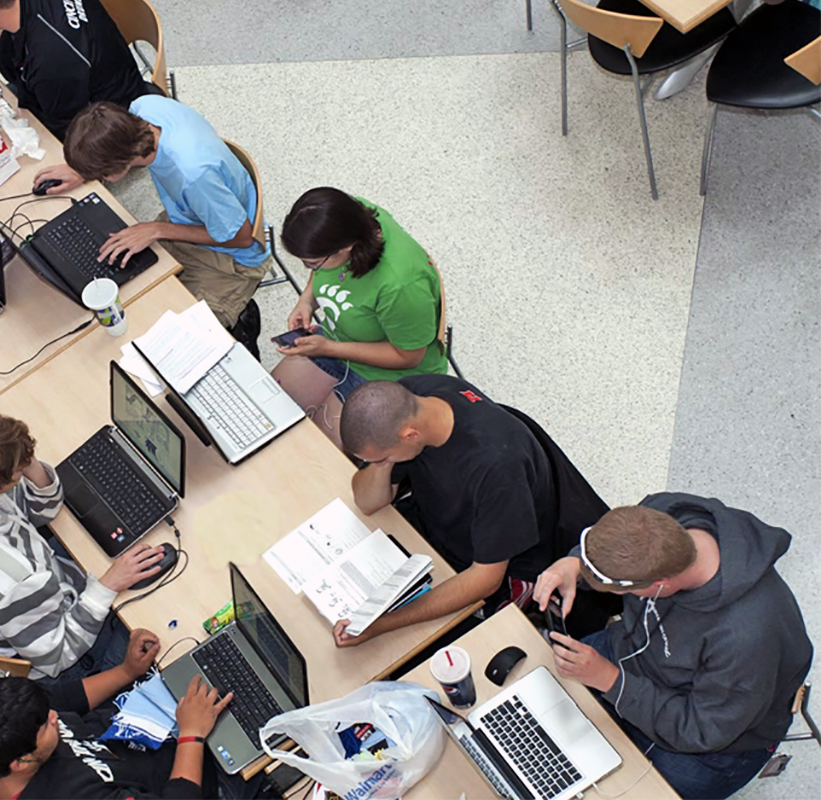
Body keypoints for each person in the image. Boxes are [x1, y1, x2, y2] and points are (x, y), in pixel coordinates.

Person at [534, 496, 812, 800]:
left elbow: (702, 731)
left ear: (660, 586)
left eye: (620, 590)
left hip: (710, 743)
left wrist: (611, 681)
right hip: (632, 655)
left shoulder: (746, 637)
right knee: (537, 715)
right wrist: (573, 565)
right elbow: (610, 548)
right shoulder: (659, 516)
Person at [0, 412, 169, 679]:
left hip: (32, 601)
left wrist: (24, 462)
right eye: (18, 469)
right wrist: (108, 585)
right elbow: (58, 655)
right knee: (158, 615)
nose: (25, 468)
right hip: (59, 651)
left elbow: (40, 511)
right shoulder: (14, 581)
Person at [331, 377, 577, 648]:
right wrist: (381, 463)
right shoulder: (411, 399)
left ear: (411, 435)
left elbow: (484, 581)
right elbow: (368, 502)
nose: (377, 464)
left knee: (400, 650)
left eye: (381, 458)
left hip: (490, 566)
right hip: (433, 527)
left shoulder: (499, 469)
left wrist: (382, 623)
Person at [0, 628, 261, 800]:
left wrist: (127, 670)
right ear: (21, 762)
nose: (54, 717)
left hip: (136, 727)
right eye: (46, 725)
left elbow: (65, 697)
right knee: (266, 734)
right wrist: (192, 733)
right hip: (190, 773)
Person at [38, 99, 268, 333]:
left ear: (114, 169)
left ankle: (242, 323)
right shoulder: (144, 109)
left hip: (233, 259)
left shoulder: (193, 175)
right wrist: (84, 169)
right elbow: (125, 150)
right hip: (196, 218)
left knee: (173, 333)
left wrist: (158, 229)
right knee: (125, 283)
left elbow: (243, 237)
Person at [270, 188, 446, 449]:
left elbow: (409, 356)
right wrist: (306, 300)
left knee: (317, 449)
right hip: (338, 339)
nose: (310, 270)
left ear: (346, 246)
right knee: (272, 410)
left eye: (312, 263)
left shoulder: (401, 286)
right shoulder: (351, 215)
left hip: (388, 372)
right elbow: (321, 273)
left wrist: (329, 348)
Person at [0, 0, 156, 140]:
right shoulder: (21, 11)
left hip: (108, 124)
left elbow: (75, 133)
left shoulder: (51, 64)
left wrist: (77, 171)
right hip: (104, 75)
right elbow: (41, 26)